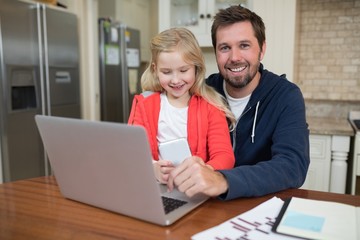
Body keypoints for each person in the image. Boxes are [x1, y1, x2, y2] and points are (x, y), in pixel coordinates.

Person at [167, 5, 310, 200]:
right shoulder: (202, 91)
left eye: (244, 45)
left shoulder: (285, 96)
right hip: (204, 204)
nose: (234, 58)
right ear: (216, 52)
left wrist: (223, 180)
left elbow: (292, 166)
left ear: (262, 49)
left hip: (260, 206)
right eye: (225, 48)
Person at [128, 27, 236, 183]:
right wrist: (153, 169)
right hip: (156, 188)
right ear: (155, 70)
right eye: (166, 72)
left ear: (196, 68)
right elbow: (132, 152)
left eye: (183, 70)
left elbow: (224, 156)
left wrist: (204, 172)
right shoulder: (144, 105)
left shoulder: (211, 107)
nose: (176, 80)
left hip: (197, 188)